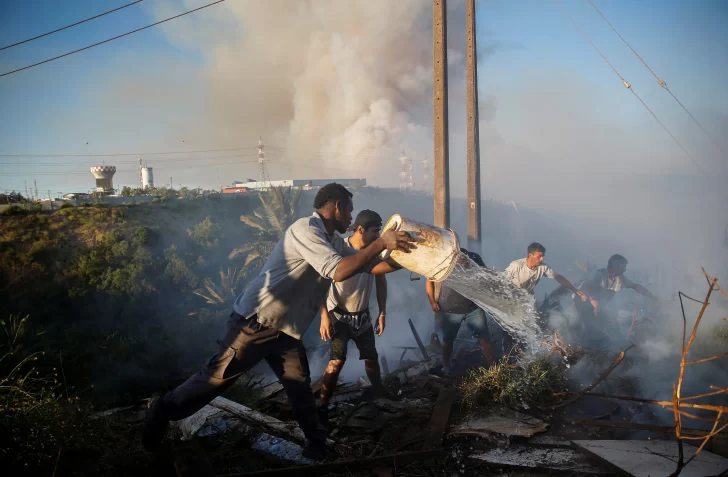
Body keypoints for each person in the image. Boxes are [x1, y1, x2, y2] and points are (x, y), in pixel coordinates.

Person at [142, 183, 414, 460]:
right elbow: (339, 271)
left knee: (299, 387)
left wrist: (413, 259)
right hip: (255, 324)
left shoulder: (331, 240)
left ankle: (317, 444)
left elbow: (367, 265)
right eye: (349, 210)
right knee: (214, 380)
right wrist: (381, 243)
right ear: (336, 205)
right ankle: (161, 411)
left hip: (284, 330)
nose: (350, 217)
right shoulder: (306, 230)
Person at [317, 210, 395, 426]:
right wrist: (324, 316)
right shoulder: (339, 247)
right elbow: (320, 283)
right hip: (338, 316)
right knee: (336, 361)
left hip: (362, 315)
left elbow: (381, 279)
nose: (378, 236)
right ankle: (322, 405)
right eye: (374, 231)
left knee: (371, 358)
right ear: (360, 229)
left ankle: (379, 391)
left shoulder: (376, 251)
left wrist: (382, 312)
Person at [426, 249, 497, 375]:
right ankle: (446, 367)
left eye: (465, 261)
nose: (463, 264)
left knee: (484, 339)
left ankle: (495, 369)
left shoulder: (474, 257)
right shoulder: (442, 261)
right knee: (448, 340)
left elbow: (486, 276)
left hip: (473, 307)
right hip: (450, 308)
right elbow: (429, 281)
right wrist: (432, 301)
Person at [574, 254, 658, 343]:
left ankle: (620, 346)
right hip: (583, 305)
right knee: (591, 330)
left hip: (598, 308)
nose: (625, 270)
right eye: (623, 267)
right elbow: (588, 291)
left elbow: (636, 286)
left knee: (612, 328)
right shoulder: (599, 275)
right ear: (616, 266)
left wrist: (654, 298)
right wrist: (594, 303)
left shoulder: (620, 278)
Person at [505, 242, 587, 301]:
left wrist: (574, 289)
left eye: (543, 256)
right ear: (530, 255)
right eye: (539, 256)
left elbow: (558, 278)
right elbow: (501, 278)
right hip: (510, 294)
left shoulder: (543, 267)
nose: (542, 259)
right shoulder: (516, 265)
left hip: (526, 299)